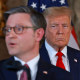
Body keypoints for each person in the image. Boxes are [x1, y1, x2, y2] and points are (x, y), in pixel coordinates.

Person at [0, 6, 73, 80]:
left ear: (38, 34)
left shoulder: (62, 76)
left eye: (19, 29)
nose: (10, 35)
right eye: (8, 29)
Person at [40, 6, 80, 80]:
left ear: (70, 30)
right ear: (43, 30)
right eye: (54, 26)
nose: (60, 32)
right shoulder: (31, 60)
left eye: (65, 26)